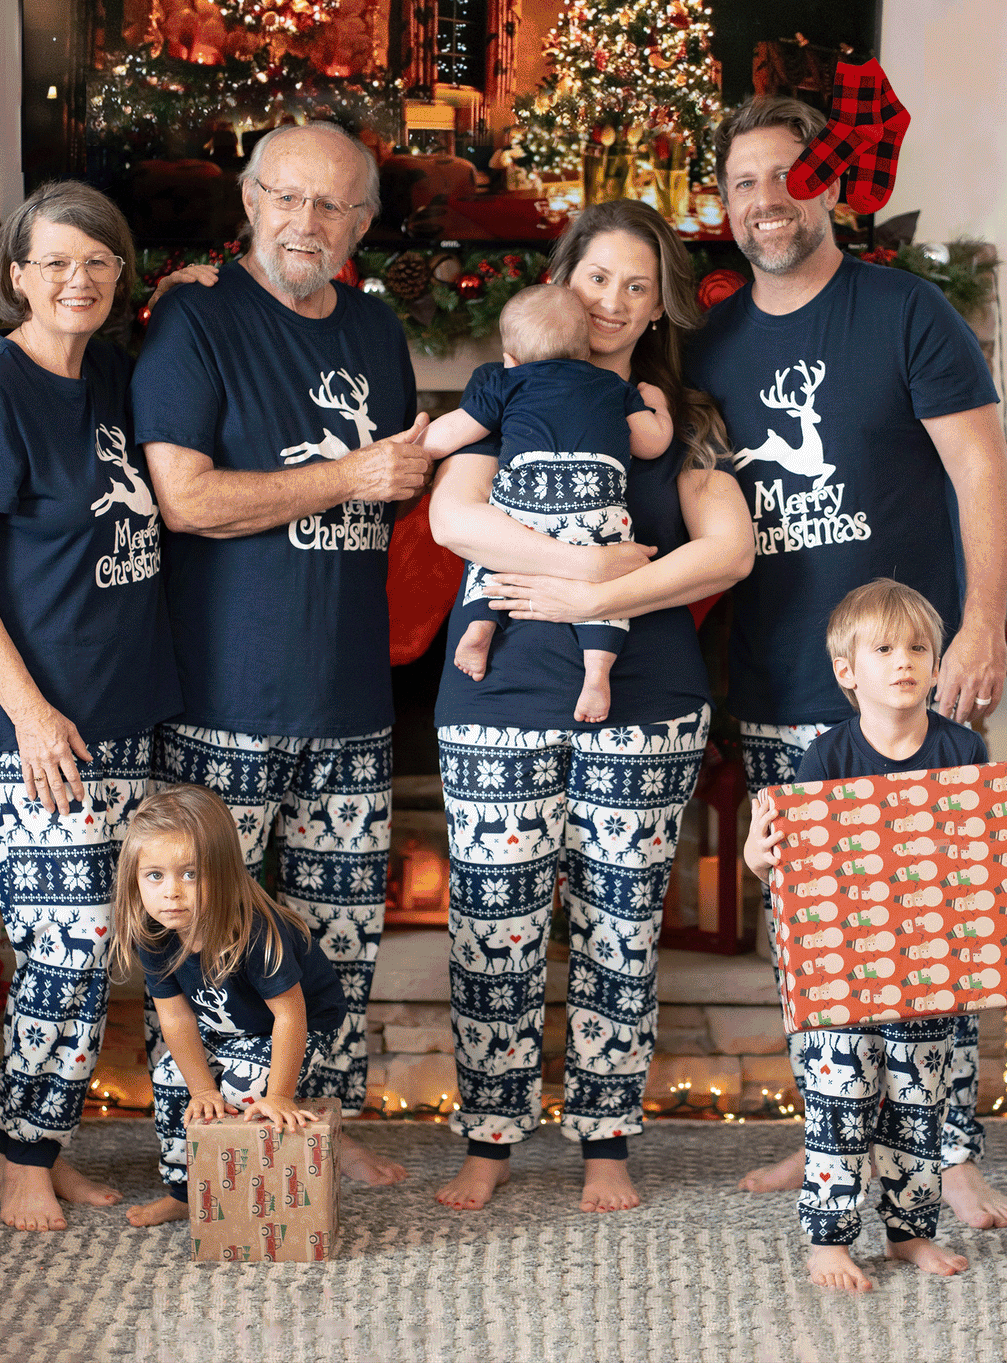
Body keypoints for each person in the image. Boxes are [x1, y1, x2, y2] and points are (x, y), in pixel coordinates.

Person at [686, 93, 1007, 1227]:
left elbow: (981, 470)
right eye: (742, 184)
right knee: (813, 932)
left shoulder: (907, 310)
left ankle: (947, 1150)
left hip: (912, 673)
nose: (765, 202)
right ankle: (824, 1136)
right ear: (722, 205)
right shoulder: (712, 343)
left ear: (827, 183)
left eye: (784, 176)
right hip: (779, 677)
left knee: (933, 916)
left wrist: (984, 625)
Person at [426, 200, 756, 1212]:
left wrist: (595, 596)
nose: (612, 300)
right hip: (497, 697)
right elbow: (452, 517)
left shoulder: (674, 416)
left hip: (644, 700)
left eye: (637, 285)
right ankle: (489, 1140)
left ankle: (607, 1143)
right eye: (597, 277)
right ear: (560, 282)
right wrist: (587, 556)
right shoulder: (515, 392)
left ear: (659, 307)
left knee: (622, 926)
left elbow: (728, 549)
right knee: (494, 923)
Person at [130, 121, 429, 1187]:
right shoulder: (195, 317)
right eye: (287, 197)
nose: (308, 222)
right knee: (206, 947)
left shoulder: (376, 331)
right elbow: (188, 498)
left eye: (335, 205)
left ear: (362, 224)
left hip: (350, 702)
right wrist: (347, 480)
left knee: (336, 946)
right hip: (225, 702)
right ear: (249, 199)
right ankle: (194, 1167)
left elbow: (399, 484)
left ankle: (316, 1136)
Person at [0, 181, 182, 1231]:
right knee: (66, 943)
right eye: (56, 262)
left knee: (104, 941)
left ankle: (51, 1141)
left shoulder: (117, 376)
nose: (77, 279)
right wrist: (30, 714)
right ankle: (21, 1153)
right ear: (16, 275)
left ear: (121, 277)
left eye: (99, 262)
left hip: (135, 710)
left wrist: (196, 285)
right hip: (42, 724)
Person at [745, 578, 979, 1290]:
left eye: (918, 648)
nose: (903, 660)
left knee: (919, 1110)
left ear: (938, 666)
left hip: (931, 968)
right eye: (883, 649)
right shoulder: (827, 757)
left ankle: (912, 1232)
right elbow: (796, 869)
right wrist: (762, 863)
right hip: (841, 969)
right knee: (840, 1104)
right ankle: (828, 1240)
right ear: (849, 672)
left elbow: (976, 857)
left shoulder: (963, 747)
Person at [419, 284, 673, 721]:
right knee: (604, 589)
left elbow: (446, 437)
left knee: (493, 559)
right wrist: (658, 406)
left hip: (527, 498)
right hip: (594, 503)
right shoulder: (612, 384)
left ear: (510, 357)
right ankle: (596, 675)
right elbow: (652, 444)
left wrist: (414, 443)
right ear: (585, 350)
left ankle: (479, 630)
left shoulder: (504, 382)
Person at [110, 785, 347, 1227]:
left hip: (303, 1023)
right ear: (135, 879)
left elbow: (290, 1014)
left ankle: (256, 1193)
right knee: (169, 1076)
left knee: (246, 1088)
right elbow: (176, 1017)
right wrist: (201, 1089)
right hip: (230, 1028)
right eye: (155, 876)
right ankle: (185, 1192)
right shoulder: (155, 930)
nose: (171, 894)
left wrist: (279, 1095)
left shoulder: (253, 930)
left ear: (223, 873)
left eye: (191, 874)